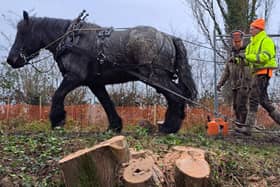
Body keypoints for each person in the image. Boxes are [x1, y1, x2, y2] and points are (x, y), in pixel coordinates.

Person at [235, 18, 280, 135]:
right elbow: (248, 61)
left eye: (252, 28)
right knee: (264, 101)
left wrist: (246, 57)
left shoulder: (266, 41)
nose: (250, 30)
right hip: (257, 73)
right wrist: (237, 59)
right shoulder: (251, 43)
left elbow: (264, 57)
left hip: (264, 72)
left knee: (254, 98)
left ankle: (248, 128)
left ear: (259, 29)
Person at [217, 30, 252, 126]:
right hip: (234, 85)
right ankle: (238, 124)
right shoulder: (231, 55)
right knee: (236, 106)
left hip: (245, 84)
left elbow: (251, 66)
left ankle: (243, 125)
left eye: (238, 41)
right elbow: (226, 72)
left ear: (242, 41)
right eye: (235, 41)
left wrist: (242, 58)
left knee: (242, 105)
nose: (236, 43)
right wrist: (220, 83)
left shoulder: (248, 53)